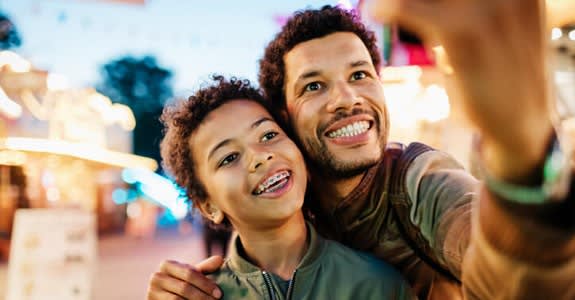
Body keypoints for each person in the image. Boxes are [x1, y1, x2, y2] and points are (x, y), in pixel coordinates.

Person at [148, 1, 575, 299]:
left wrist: (522, 161)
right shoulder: (287, 206)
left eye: (360, 74)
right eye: (314, 86)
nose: (346, 98)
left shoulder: (418, 180)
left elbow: (505, 272)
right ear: (284, 116)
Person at [149, 75, 415, 299]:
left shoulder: (377, 285)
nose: (259, 156)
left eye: (268, 135)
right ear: (208, 206)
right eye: (229, 157)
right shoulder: (198, 296)